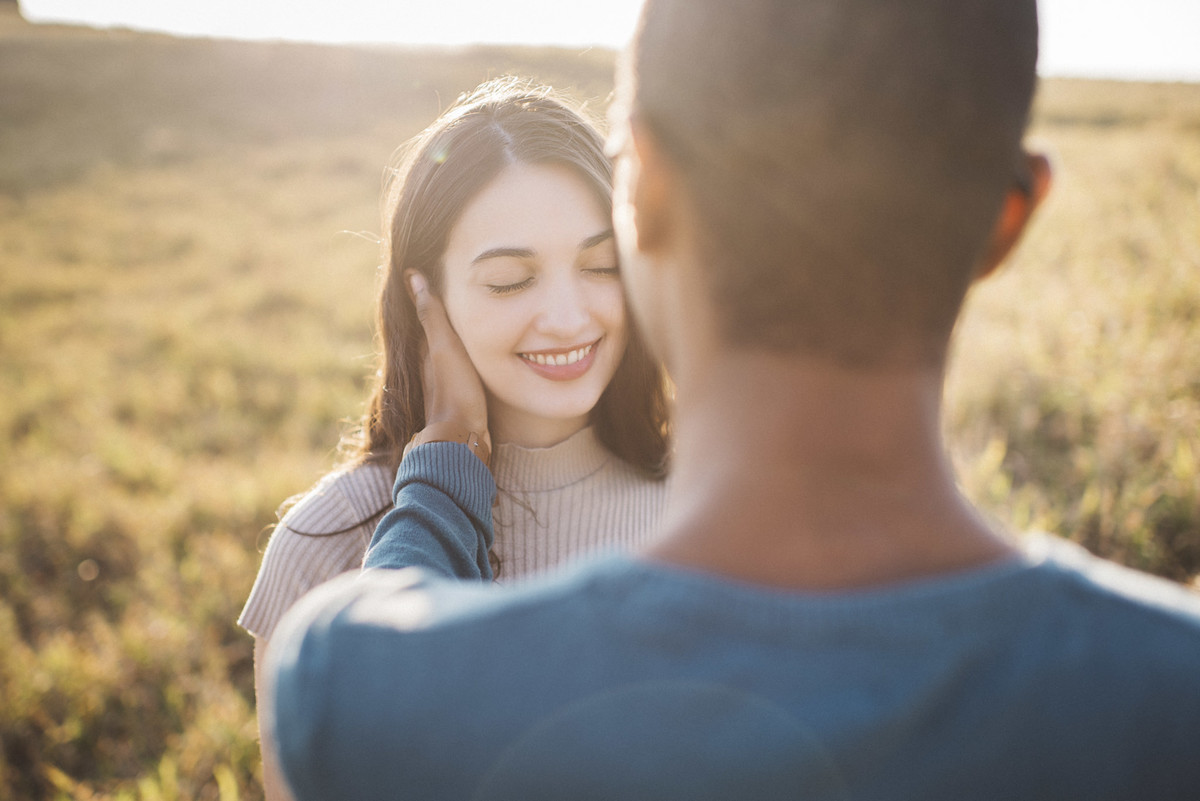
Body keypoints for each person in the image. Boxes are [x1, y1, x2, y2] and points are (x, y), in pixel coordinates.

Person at [267, 1, 1200, 798]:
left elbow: (357, 627)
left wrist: (439, 478)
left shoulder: (361, 684)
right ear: (1012, 218)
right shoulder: (1168, 697)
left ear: (644, 181)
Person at [240, 78, 670, 800]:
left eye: (601, 266)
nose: (568, 318)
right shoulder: (323, 545)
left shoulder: (698, 512)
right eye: (510, 280)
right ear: (423, 296)